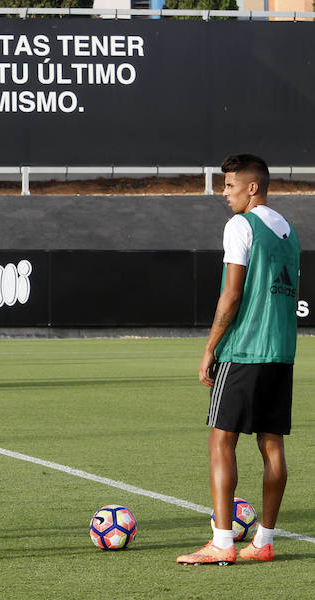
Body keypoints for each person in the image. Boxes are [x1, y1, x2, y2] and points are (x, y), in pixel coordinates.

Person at [177, 154, 300, 566]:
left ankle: (223, 543)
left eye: (229, 186)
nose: (223, 193)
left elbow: (231, 296)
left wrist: (210, 347)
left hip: (244, 350)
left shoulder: (240, 226)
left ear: (252, 187)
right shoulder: (288, 230)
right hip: (281, 353)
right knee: (272, 446)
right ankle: (263, 541)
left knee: (220, 441)